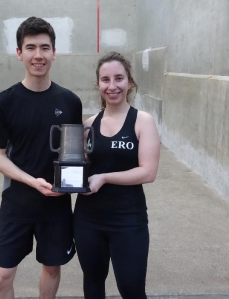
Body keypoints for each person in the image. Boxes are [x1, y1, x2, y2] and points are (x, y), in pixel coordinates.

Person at [0, 17, 82, 299]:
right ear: (19, 53)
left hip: (56, 205)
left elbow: (72, 152)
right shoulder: (2, 103)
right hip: (16, 202)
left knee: (52, 268)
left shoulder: (70, 101)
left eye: (45, 47)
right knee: (1, 278)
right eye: (31, 47)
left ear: (54, 52)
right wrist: (31, 181)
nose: (38, 55)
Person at [73, 52, 160, 299]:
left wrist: (104, 177)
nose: (112, 86)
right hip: (88, 219)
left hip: (128, 220)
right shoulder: (89, 124)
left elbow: (148, 172)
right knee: (92, 284)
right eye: (105, 80)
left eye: (119, 78)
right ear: (98, 84)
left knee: (131, 289)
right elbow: (82, 167)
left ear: (130, 82)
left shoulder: (143, 121)